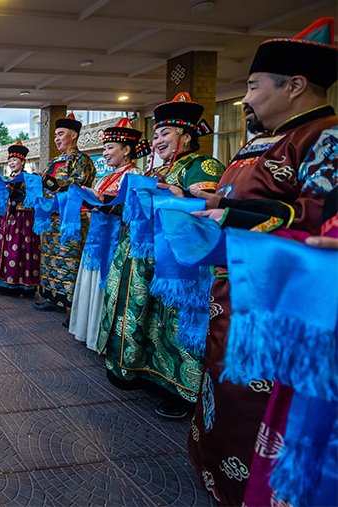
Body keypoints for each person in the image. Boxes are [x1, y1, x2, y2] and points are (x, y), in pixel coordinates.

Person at [185, 19, 337, 504]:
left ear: (294, 86)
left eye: (252, 86)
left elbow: (318, 224)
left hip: (274, 304)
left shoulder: (324, 137)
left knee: (257, 403)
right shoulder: (268, 141)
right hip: (233, 292)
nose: (244, 99)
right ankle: (220, 476)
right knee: (225, 390)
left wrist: (228, 216)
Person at [96, 92, 226, 420]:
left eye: (164, 134)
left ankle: (181, 390)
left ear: (186, 135)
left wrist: (179, 194)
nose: (157, 141)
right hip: (142, 253)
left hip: (177, 264)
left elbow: (211, 207)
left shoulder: (203, 164)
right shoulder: (160, 168)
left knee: (171, 324)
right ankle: (137, 369)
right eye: (155, 135)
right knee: (144, 318)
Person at [68, 119, 147, 349]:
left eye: (110, 147)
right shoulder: (105, 178)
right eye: (104, 148)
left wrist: (105, 202)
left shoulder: (135, 176)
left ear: (126, 150)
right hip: (95, 240)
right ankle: (87, 332)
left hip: (116, 242)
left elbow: (135, 211)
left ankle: (102, 338)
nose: (105, 153)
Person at [34, 113, 96, 313]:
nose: (57, 139)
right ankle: (53, 297)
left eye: (61, 134)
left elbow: (75, 187)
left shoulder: (82, 160)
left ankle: (72, 303)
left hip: (70, 219)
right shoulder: (53, 161)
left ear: (74, 135)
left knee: (68, 259)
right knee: (51, 258)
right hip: (51, 219)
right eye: (55, 136)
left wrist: (47, 181)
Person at [0, 141, 42, 297]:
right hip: (6, 218)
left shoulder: (30, 179)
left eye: (15, 160)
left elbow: (33, 198)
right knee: (4, 249)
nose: (11, 163)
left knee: (21, 248)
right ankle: (2, 281)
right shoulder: (5, 179)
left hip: (23, 219)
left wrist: (18, 193)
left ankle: (23, 285)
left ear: (23, 161)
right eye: (9, 160)